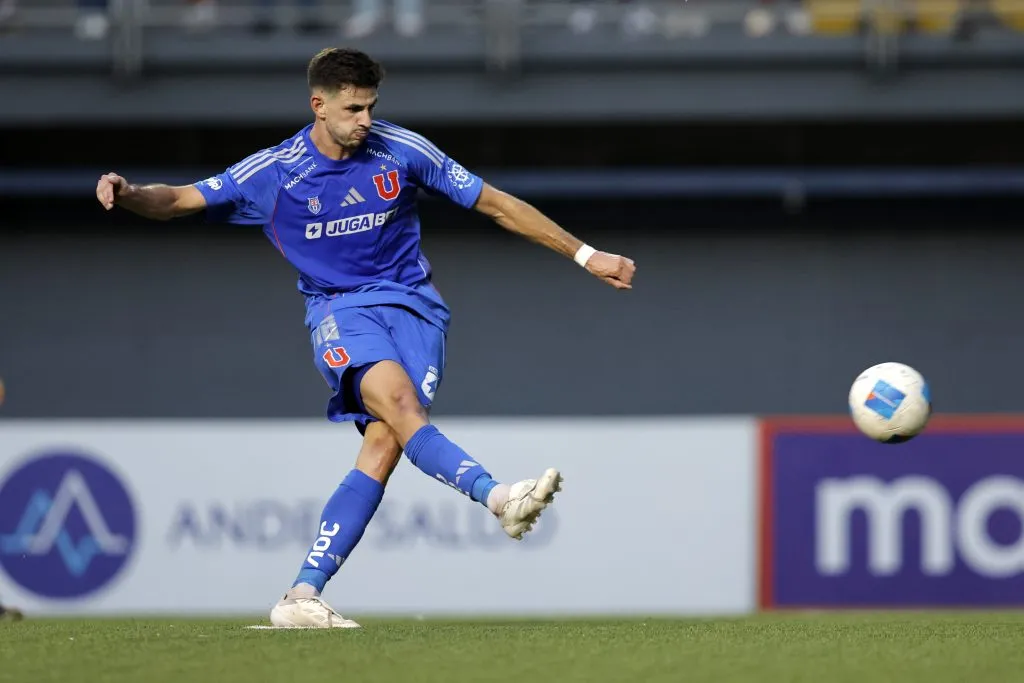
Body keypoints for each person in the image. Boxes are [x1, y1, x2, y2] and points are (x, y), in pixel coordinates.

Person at [95, 47, 636, 629]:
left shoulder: (401, 150)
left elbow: (496, 205)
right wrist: (128, 195)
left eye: (371, 107)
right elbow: (178, 199)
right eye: (353, 108)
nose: (365, 120)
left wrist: (585, 254)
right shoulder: (275, 171)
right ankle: (498, 497)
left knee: (384, 447)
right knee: (400, 407)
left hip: (418, 312)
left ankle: (302, 594)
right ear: (318, 105)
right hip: (340, 311)